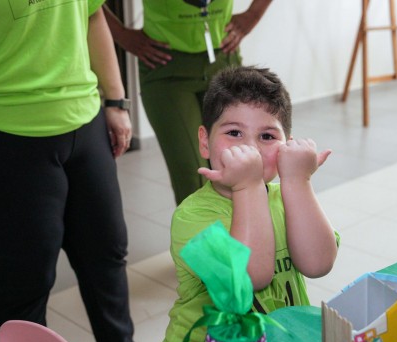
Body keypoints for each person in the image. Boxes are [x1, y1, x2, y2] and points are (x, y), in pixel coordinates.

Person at [0, 3, 151, 342]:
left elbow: (93, 14)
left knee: (106, 253)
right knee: (24, 278)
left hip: (85, 119)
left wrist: (115, 100)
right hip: (10, 130)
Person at [160, 66, 340, 342]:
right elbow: (250, 279)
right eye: (234, 132)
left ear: (287, 145)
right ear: (205, 141)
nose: (250, 149)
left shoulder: (289, 196)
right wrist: (248, 185)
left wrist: (298, 180)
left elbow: (318, 264)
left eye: (267, 136)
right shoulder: (191, 217)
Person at [103, 0, 272, 205]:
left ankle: (243, 235)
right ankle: (205, 237)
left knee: (238, 168)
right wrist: (120, 34)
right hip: (165, 65)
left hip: (224, 60)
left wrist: (253, 15)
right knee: (193, 178)